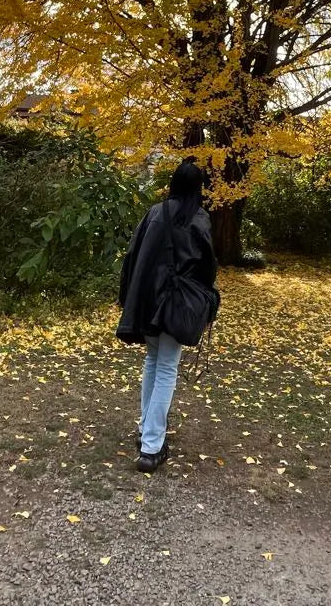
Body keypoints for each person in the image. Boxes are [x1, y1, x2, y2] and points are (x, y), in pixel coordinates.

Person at [116, 159, 218, 473]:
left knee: (153, 362)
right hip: (175, 304)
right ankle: (151, 446)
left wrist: (128, 299)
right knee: (165, 369)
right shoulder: (198, 219)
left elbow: (132, 257)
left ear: (173, 182)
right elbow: (207, 268)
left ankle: (147, 430)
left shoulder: (154, 213)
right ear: (198, 188)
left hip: (146, 301)